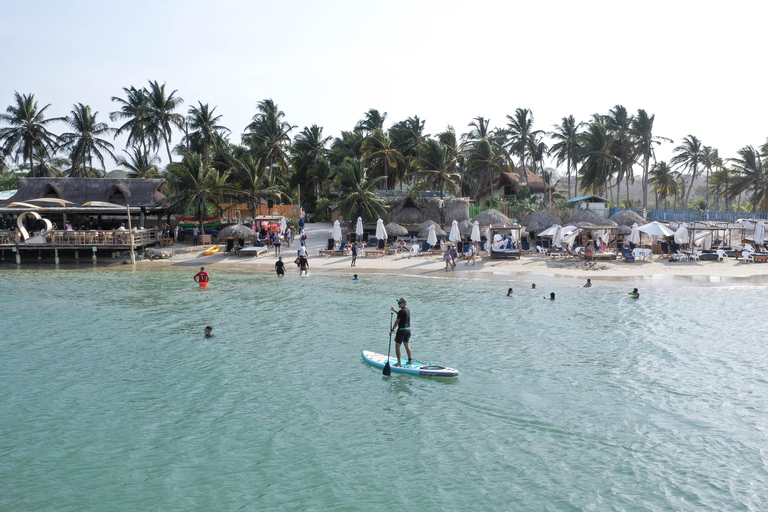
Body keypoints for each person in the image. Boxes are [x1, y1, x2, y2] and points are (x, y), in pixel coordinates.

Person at [389, 297, 412, 367]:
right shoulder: (407, 310)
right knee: (407, 346)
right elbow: (401, 315)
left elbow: (397, 321)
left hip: (402, 331)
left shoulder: (402, 311)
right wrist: (395, 310)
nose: (398, 304)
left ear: (404, 303)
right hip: (408, 330)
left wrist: (392, 330)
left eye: (400, 303)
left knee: (397, 347)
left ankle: (399, 362)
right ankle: (410, 360)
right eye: (398, 303)